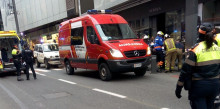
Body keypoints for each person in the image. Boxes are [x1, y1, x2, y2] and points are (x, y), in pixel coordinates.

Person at [175, 23, 220, 109]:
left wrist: (179, 88)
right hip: (215, 86)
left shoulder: (196, 49)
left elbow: (186, 71)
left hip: (199, 87)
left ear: (199, 34)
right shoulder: (218, 49)